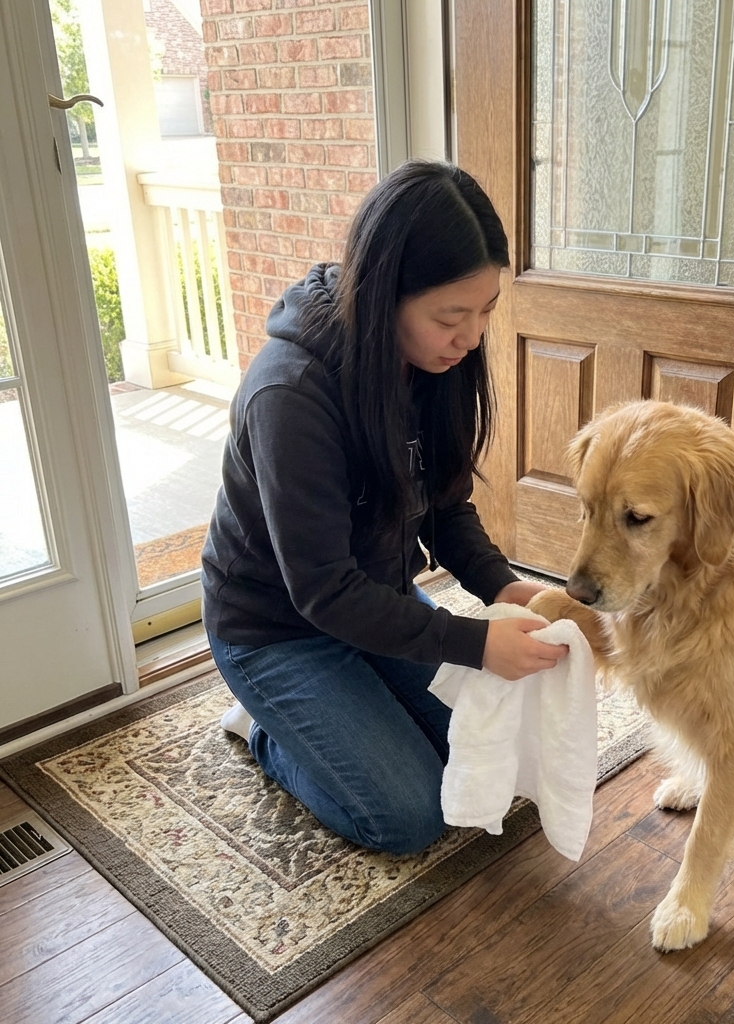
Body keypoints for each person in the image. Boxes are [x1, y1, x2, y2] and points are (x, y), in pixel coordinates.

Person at [201, 161, 568, 856]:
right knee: (408, 817)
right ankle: (265, 731)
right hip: (274, 627)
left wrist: (502, 586)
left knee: (487, 758)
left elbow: (446, 505)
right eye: (451, 317)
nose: (471, 337)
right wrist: (474, 643)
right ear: (384, 294)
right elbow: (322, 590)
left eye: (486, 311)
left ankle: (343, 707)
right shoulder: (290, 394)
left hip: (373, 603)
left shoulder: (431, 364)